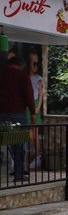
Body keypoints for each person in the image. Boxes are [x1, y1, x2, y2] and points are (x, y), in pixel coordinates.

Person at [1, 54, 36, 182]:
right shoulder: (22, 76)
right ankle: (19, 174)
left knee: (6, 142)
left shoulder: (2, 74)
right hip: (18, 114)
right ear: (20, 65)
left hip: (2, 114)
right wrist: (33, 112)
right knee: (19, 144)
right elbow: (28, 94)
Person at [26, 47, 44, 170]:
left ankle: (38, 156)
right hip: (27, 104)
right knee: (29, 132)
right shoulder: (25, 77)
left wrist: (38, 107)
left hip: (35, 102)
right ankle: (29, 155)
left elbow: (41, 94)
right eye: (33, 63)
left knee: (35, 131)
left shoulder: (39, 78)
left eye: (36, 63)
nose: (34, 65)